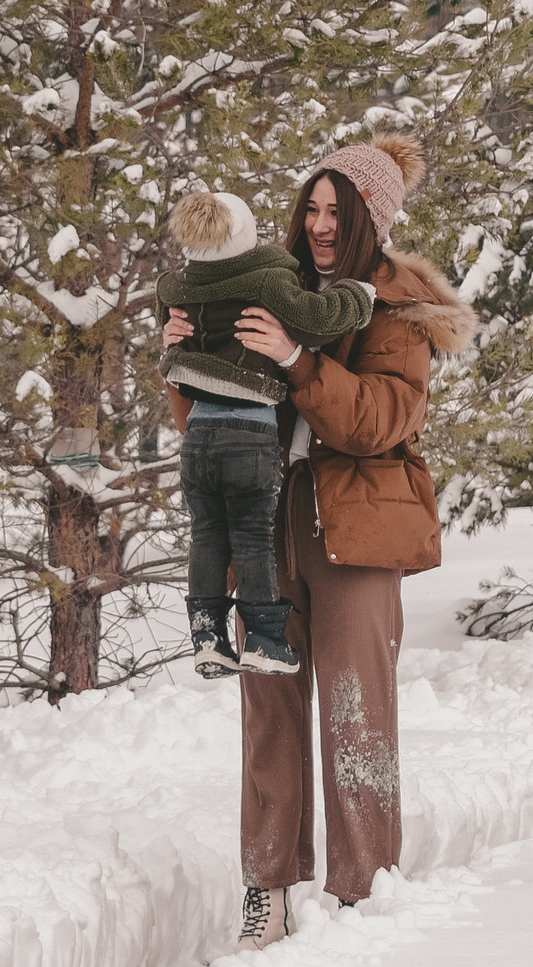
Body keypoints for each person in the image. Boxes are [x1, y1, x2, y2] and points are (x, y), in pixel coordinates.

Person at [164, 134, 473, 952]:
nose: (321, 223)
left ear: (373, 218)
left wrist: (298, 358)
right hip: (264, 521)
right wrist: (184, 365)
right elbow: (209, 421)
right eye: (313, 205)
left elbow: (379, 421)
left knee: (355, 708)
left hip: (358, 528)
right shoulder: (267, 287)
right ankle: (266, 887)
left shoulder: (396, 308)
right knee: (267, 706)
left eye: (339, 210)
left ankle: (366, 888)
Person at [155, 190, 375, 678]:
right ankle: (265, 639)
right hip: (250, 434)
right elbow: (318, 322)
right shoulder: (268, 283)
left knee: (208, 535)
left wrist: (170, 347)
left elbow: (170, 322)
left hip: (197, 437)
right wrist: (359, 297)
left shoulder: (176, 289)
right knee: (254, 539)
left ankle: (208, 636)